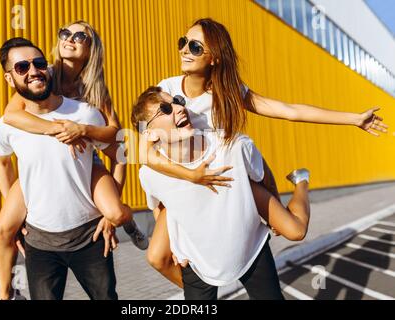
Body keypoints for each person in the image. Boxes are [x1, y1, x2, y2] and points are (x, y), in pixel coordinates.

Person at [139, 18, 389, 288]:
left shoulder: (229, 93)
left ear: (215, 58)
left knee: (293, 231)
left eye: (196, 47)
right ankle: (204, 286)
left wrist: (353, 119)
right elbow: (144, 153)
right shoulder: (167, 91)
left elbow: (290, 111)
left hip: (229, 179)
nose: (185, 50)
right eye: (183, 42)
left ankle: (301, 180)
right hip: (187, 184)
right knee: (158, 256)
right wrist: (192, 177)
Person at [0, 21, 147, 301]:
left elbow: (117, 137)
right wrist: (59, 128)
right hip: (43, 160)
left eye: (80, 36)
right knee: (4, 228)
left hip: (88, 157)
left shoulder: (94, 91)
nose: (70, 38)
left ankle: (128, 222)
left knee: (114, 212)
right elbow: (12, 116)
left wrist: (82, 130)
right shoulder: (41, 71)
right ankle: (6, 294)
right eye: (65, 32)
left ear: (92, 50)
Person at [132, 86, 311, 300]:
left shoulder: (232, 145)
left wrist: (276, 210)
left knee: (296, 231)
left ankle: (301, 181)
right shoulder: (149, 175)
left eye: (178, 101)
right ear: (149, 133)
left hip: (249, 247)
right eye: (165, 108)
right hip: (197, 259)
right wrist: (174, 248)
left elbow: (264, 176)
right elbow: (160, 207)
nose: (179, 108)